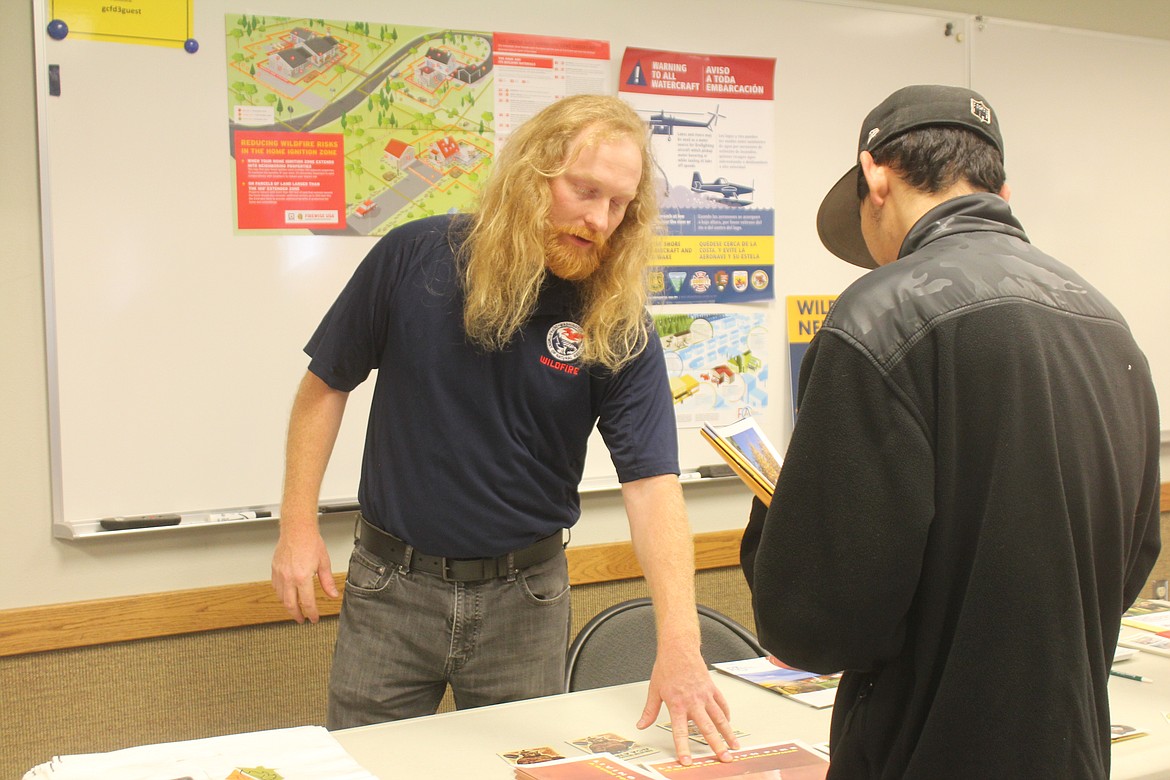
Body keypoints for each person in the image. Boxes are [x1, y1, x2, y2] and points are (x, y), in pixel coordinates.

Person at [271, 94, 737, 764]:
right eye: (585, 191)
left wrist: (680, 645)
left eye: (619, 205)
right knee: (365, 769)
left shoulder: (615, 317)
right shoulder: (414, 258)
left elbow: (653, 486)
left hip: (525, 601)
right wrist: (296, 525)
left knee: (528, 772)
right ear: (532, 174)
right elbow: (325, 387)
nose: (600, 220)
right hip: (391, 589)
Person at [741, 85, 1161, 778]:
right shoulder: (1105, 322)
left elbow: (815, 625)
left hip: (923, 751)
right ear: (1001, 186)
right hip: (1071, 750)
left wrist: (782, 511)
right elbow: (1133, 556)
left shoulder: (879, 316)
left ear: (875, 174)